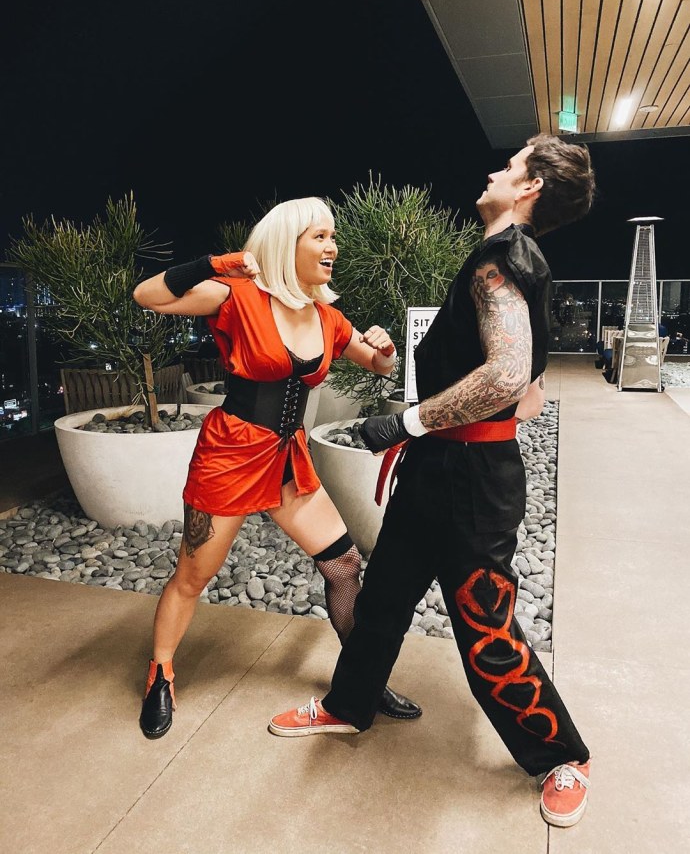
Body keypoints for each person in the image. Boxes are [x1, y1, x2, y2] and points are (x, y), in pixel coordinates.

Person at [269, 136, 596, 829]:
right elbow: (529, 390)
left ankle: (561, 757)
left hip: (472, 480)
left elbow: (508, 376)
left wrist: (407, 422)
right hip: (440, 469)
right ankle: (348, 704)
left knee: (485, 629)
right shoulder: (508, 259)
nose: (494, 171)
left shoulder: (503, 260)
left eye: (510, 166)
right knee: (384, 597)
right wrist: (437, 432)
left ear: (530, 187)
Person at [132, 197, 421, 739]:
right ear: (288, 242)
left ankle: (361, 679)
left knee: (344, 565)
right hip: (230, 456)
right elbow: (147, 295)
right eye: (320, 236)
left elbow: (379, 365)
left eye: (333, 236)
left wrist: (383, 346)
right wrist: (217, 264)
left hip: (289, 460)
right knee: (192, 577)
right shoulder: (237, 296)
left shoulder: (327, 316)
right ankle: (160, 674)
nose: (333, 246)